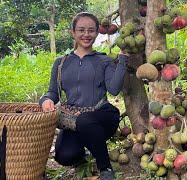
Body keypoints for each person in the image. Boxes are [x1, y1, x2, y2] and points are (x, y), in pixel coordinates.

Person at [39, 12, 129, 180]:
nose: (86, 35)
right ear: (73, 32)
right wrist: (46, 100)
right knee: (64, 156)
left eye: (91, 30)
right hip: (73, 121)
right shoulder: (61, 63)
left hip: (102, 116)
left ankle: (106, 169)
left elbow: (114, 89)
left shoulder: (104, 60)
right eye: (81, 30)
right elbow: (53, 92)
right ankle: (88, 151)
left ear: (96, 33)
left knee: (86, 120)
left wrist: (123, 59)